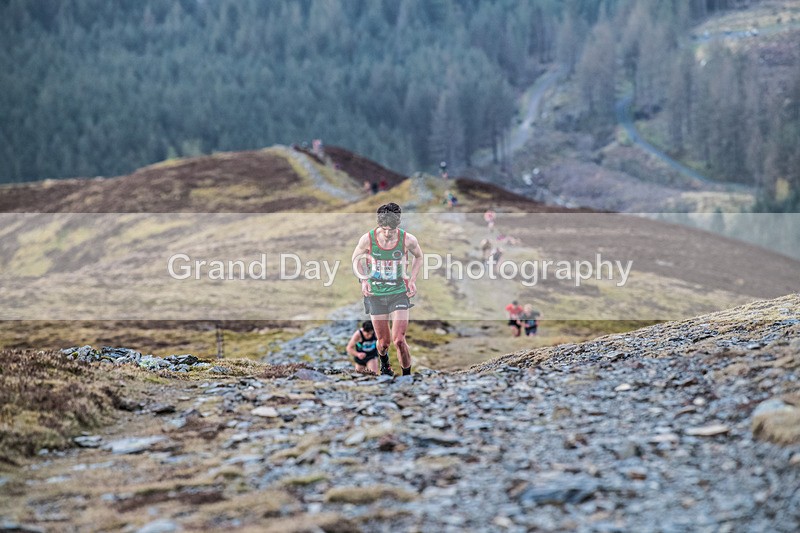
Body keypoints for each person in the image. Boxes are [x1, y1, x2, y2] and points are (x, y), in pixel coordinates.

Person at [351, 203, 424, 376]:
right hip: (375, 295)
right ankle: (385, 364)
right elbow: (355, 259)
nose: (387, 233)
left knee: (399, 340)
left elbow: (419, 257)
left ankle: (407, 376)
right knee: (383, 343)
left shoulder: (408, 239)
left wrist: (412, 280)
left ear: (397, 225)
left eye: (391, 230)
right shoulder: (368, 239)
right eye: (383, 229)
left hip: (399, 293)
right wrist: (363, 280)